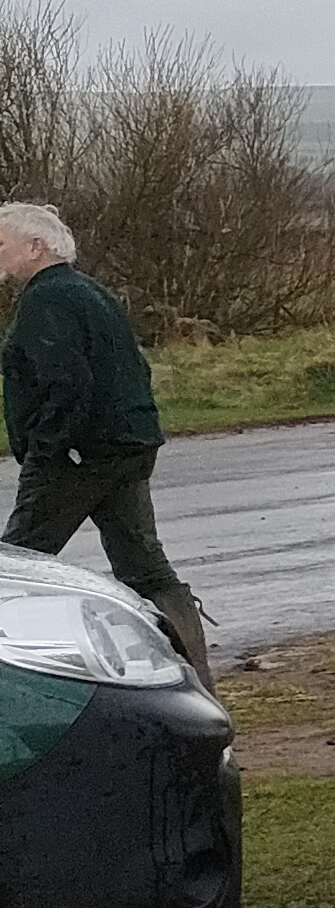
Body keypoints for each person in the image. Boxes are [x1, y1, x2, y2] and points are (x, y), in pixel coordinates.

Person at [0, 202, 212, 683]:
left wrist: (48, 448)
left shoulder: (48, 300)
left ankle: (17, 682)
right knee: (146, 568)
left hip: (80, 455)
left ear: (36, 247)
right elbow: (134, 368)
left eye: (1, 243)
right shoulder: (87, 291)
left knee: (15, 564)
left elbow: (67, 381)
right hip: (125, 446)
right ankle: (198, 680)